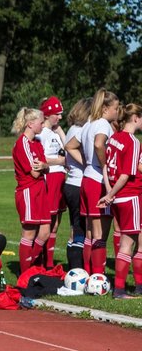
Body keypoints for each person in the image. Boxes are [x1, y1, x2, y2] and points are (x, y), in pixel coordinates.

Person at [66, 90, 120, 276]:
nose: (117, 110)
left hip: (86, 178)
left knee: (89, 232)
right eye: (115, 107)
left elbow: (70, 146)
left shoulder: (89, 123)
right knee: (99, 234)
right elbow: (99, 144)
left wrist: (87, 162)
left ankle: (88, 273)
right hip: (97, 180)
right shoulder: (103, 124)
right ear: (105, 108)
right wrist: (105, 165)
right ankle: (98, 276)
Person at [100, 103, 142, 298]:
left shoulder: (114, 138)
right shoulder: (133, 142)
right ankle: (119, 289)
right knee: (128, 244)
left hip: (118, 197)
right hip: (130, 195)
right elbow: (126, 175)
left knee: (129, 241)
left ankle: (133, 287)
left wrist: (110, 193)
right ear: (135, 118)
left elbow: (107, 169)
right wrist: (110, 194)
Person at [12, 107, 52, 273]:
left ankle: (31, 267)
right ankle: (26, 272)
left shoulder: (37, 142)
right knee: (29, 234)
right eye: (40, 123)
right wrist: (43, 167)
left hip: (41, 190)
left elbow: (45, 167)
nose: (43, 126)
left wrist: (44, 166)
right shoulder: (22, 143)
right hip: (28, 191)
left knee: (45, 233)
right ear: (30, 123)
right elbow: (35, 172)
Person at [61, 98, 92, 271]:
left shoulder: (73, 128)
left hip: (71, 183)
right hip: (79, 183)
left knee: (75, 228)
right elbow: (70, 148)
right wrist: (87, 163)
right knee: (82, 229)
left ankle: (73, 267)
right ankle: (77, 268)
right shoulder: (81, 130)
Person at [37, 97, 67, 269]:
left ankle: (48, 263)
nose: (60, 117)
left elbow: (67, 147)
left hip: (60, 179)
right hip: (51, 179)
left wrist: (60, 129)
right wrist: (60, 161)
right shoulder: (42, 134)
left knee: (55, 224)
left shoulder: (55, 132)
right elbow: (41, 158)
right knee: (46, 223)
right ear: (48, 115)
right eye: (57, 114)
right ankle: (40, 262)